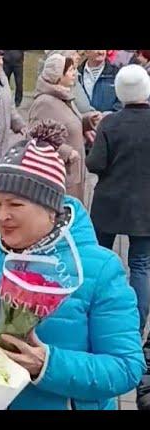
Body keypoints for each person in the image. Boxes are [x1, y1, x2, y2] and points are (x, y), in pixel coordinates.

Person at [0, 122, 145, 410]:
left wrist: (47, 365)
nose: (1, 216)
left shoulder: (99, 269)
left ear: (52, 210)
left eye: (15, 205)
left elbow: (126, 367)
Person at [86, 64, 150, 333]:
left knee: (98, 258)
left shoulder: (110, 123)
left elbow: (95, 164)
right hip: (145, 204)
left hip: (109, 202)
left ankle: (95, 314)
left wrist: (92, 144)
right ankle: (136, 325)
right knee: (141, 265)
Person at [29, 54, 100, 203]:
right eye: (70, 70)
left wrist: (87, 120)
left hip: (74, 173)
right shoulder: (44, 102)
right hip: (60, 175)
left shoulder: (64, 96)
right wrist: (66, 152)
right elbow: (35, 138)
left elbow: (67, 125)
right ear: (58, 75)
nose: (75, 73)